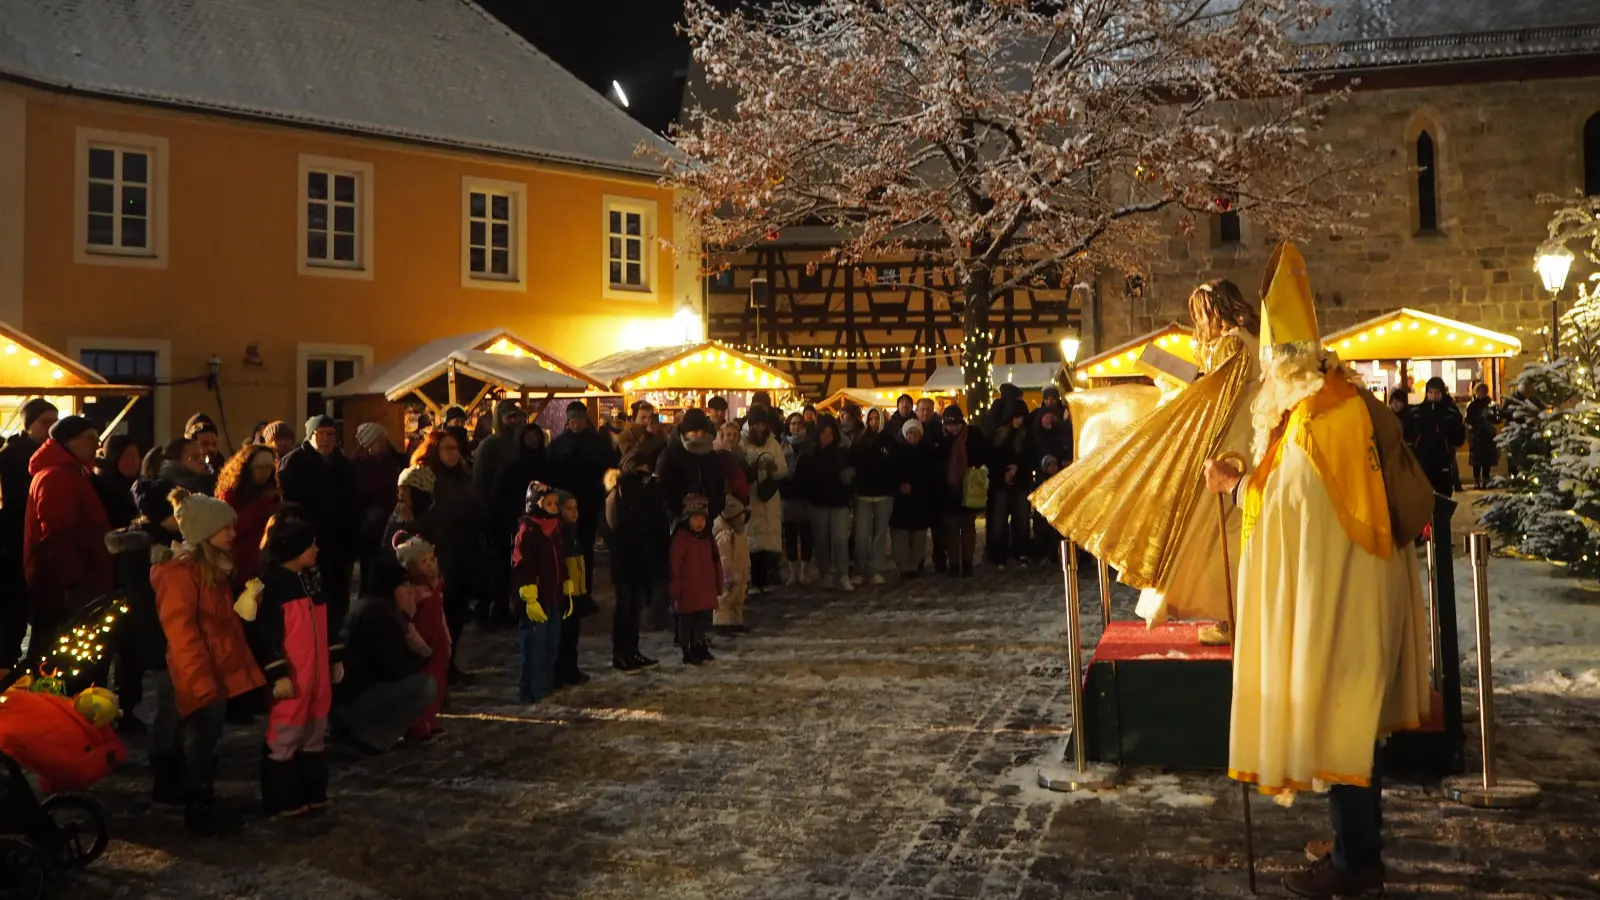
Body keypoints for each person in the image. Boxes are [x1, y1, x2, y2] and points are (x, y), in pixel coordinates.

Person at [1203, 242, 1429, 897]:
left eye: (1269, 367)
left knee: (1343, 725)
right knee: (1348, 725)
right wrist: (1241, 476)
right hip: (1344, 591)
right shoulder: (1323, 406)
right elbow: (1291, 489)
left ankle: (1357, 865)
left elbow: (1296, 505)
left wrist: (1242, 491)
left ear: (1284, 364)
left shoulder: (1321, 421)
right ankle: (1357, 848)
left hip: (1341, 599)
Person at [1034, 277, 1262, 645]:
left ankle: (1232, 613)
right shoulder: (1252, 338)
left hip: (1230, 440)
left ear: (1217, 309)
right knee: (1229, 529)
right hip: (1248, 436)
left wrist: (1179, 389)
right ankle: (1237, 611)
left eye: (1201, 314)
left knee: (1217, 532)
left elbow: (1216, 396)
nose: (1200, 323)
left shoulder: (1232, 343)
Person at [151, 488, 267, 832]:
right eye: (226, 528)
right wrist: (200, 680)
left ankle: (182, 792)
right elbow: (182, 632)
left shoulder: (211, 569)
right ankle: (196, 805)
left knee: (202, 734)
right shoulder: (180, 575)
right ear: (204, 533)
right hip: (195, 670)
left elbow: (218, 623)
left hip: (212, 667)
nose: (233, 533)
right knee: (198, 737)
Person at [245, 515, 342, 818]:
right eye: (310, 545)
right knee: (286, 734)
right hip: (293, 677)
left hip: (317, 677)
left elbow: (329, 623)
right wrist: (277, 673)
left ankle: (312, 790)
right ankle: (282, 796)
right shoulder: (272, 586)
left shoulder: (313, 579)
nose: (316, 550)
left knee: (313, 734)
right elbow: (262, 633)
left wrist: (334, 656)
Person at [22, 415, 114, 665]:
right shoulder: (56, 477)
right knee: (58, 659)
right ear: (68, 442)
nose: (97, 444)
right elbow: (57, 535)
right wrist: (71, 585)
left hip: (73, 584)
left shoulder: (71, 473)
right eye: (90, 438)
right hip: (66, 589)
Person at [333, 562, 439, 755]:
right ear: (391, 589)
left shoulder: (371, 606)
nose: (410, 593)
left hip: (347, 697)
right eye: (404, 587)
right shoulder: (382, 617)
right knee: (425, 687)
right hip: (352, 702)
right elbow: (395, 670)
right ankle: (370, 739)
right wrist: (421, 652)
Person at [104, 478, 179, 747]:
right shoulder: (146, 546)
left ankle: (128, 712)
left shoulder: (153, 537)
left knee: (133, 667)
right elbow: (143, 593)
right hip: (149, 619)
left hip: (146, 618)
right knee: (154, 678)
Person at [409, 429, 481, 687]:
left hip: (463, 550)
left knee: (457, 612)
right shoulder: (427, 477)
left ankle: (450, 665)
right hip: (439, 551)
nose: (453, 453)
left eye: (455, 449)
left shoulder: (461, 476)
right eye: (447, 449)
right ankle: (435, 670)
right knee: (438, 616)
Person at [278, 416, 360, 632]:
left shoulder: (342, 463)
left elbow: (352, 502)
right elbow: (288, 505)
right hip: (308, 543)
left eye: (330, 434)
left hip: (339, 542)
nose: (325, 439)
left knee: (338, 597)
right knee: (312, 597)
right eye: (320, 434)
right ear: (311, 435)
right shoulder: (294, 462)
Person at [547, 401, 619, 600]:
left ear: (585, 420)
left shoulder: (598, 443)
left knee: (585, 549)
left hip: (589, 503)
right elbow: (550, 472)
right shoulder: (558, 444)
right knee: (566, 549)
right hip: (564, 505)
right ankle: (567, 592)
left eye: (579, 418)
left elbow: (609, 471)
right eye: (572, 419)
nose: (575, 423)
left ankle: (584, 592)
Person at [604, 450, 667, 672]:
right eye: (641, 468)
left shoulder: (648, 492)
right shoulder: (618, 493)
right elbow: (612, 530)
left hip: (642, 558)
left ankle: (632, 650)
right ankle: (620, 653)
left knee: (635, 608)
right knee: (625, 608)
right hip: (624, 560)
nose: (646, 473)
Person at [488, 423, 550, 627]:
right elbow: (499, 497)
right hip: (516, 524)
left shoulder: (546, 464)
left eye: (536, 437)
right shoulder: (511, 467)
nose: (533, 441)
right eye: (528, 437)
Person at [512, 481, 567, 703]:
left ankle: (544, 686)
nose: (555, 507)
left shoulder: (555, 530)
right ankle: (531, 692)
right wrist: (527, 595)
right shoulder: (527, 533)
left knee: (551, 645)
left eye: (556, 503)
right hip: (536, 600)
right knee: (534, 647)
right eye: (550, 503)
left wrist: (565, 583)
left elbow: (559, 562)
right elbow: (521, 566)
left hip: (553, 596)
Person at [391, 532, 449, 741]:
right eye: (424, 561)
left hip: (437, 643)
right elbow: (408, 621)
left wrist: (446, 639)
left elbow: (440, 616)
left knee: (438, 681)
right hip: (422, 644)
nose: (430, 565)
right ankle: (417, 725)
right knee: (423, 682)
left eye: (431, 560)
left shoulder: (434, 587)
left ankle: (430, 719)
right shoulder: (412, 591)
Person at [471, 401, 525, 621]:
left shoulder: (518, 443)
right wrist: (485, 513)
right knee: (497, 562)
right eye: (509, 417)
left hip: (515, 512)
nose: (514, 421)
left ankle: (506, 604)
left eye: (516, 416)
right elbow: (480, 483)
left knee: (513, 562)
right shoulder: (490, 446)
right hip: (496, 513)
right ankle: (496, 606)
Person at [795, 415, 855, 591]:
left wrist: (848, 489)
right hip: (818, 502)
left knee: (840, 540)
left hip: (839, 503)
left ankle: (843, 574)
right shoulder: (810, 454)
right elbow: (802, 478)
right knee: (821, 541)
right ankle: (825, 574)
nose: (827, 437)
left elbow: (851, 476)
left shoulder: (841, 453)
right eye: (824, 433)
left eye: (830, 433)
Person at [216, 444, 281, 594]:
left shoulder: (273, 491)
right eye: (259, 467)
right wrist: (263, 504)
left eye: (269, 468)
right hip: (241, 569)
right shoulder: (231, 494)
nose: (264, 473)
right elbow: (232, 527)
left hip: (267, 566)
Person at [350, 422, 406, 597]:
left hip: (388, 522)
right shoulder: (355, 466)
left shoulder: (389, 460)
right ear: (368, 443)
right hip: (369, 528)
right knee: (370, 571)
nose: (383, 443)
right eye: (379, 440)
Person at [669, 494, 723, 665]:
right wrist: (675, 587)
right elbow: (674, 565)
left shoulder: (708, 539)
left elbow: (716, 563)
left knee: (701, 621)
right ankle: (687, 649)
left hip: (705, 589)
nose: (700, 522)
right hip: (687, 591)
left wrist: (718, 585)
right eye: (695, 518)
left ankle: (700, 645)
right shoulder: (681, 540)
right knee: (687, 622)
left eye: (702, 518)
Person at [935, 407, 987, 577]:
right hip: (948, 490)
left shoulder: (973, 435)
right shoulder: (942, 439)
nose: (953, 428)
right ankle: (954, 564)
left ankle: (967, 563)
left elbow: (981, 456)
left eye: (956, 424)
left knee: (968, 528)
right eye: (949, 424)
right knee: (951, 529)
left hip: (969, 486)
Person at [741, 407, 787, 595]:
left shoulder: (773, 443)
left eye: (763, 424)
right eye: (757, 424)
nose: (761, 428)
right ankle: (754, 579)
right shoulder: (742, 443)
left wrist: (773, 469)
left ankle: (767, 576)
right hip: (752, 493)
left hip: (769, 493)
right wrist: (752, 468)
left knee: (769, 536)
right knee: (752, 536)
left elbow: (783, 468)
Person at [985, 399, 1034, 568]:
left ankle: (1021, 552)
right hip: (1000, 483)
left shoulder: (1026, 435)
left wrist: (1017, 467)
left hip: (1020, 482)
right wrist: (1003, 472)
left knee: (1021, 519)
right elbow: (992, 458)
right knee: (999, 521)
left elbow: (1029, 457)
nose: (1019, 421)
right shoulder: (999, 435)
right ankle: (999, 555)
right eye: (1016, 417)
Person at [712, 423, 751, 632]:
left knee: (740, 568)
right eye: (728, 434)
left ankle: (735, 617)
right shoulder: (719, 459)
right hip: (726, 516)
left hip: (738, 514)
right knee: (727, 569)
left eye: (735, 435)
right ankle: (722, 618)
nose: (732, 438)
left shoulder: (737, 459)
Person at [656, 408, 725, 523]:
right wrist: (677, 511)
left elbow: (718, 483)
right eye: (695, 430)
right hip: (680, 518)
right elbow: (663, 488)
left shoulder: (710, 454)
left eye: (702, 431)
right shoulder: (670, 455)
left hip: (707, 517)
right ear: (685, 432)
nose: (700, 434)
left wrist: (715, 508)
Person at [555, 491, 595, 687]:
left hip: (576, 591)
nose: (574, 512)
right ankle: (562, 672)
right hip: (566, 592)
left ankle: (571, 669)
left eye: (576, 508)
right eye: (569, 509)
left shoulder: (573, 532)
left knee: (573, 635)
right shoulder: (560, 534)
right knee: (564, 635)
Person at [890, 419, 937, 577]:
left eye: (915, 433)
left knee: (918, 540)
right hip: (901, 504)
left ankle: (915, 564)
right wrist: (899, 485)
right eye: (909, 433)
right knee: (900, 538)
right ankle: (904, 566)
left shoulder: (927, 452)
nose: (912, 436)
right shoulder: (898, 451)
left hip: (921, 502)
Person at [1411, 376, 1466, 497]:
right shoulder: (1418, 412)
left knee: (1444, 494)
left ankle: (1441, 515)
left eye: (1436, 392)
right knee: (1424, 495)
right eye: (1430, 392)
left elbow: (1459, 436)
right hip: (1423, 460)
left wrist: (1450, 448)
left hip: (1443, 460)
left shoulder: (1450, 412)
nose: (1433, 395)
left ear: (1442, 393)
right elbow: (1410, 433)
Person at [915, 398, 949, 573]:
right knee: (919, 529)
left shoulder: (939, 431)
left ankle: (940, 560)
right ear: (917, 411)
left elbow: (944, 456)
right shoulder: (911, 428)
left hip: (936, 486)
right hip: (918, 487)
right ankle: (917, 561)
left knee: (938, 529)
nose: (925, 413)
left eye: (928, 409)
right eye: (922, 410)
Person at [93, 435, 142, 530]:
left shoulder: (142, 485)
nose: (134, 460)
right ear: (114, 457)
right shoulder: (102, 487)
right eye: (127, 455)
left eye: (137, 455)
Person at [1465, 383, 1500, 489]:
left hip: (1487, 435)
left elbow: (1498, 419)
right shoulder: (1473, 405)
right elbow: (1468, 420)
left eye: (1483, 391)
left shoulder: (1491, 405)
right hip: (1477, 434)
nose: (1481, 393)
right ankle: (1477, 480)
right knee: (1477, 460)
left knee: (1486, 460)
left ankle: (1485, 479)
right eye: (1480, 391)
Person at [184, 415, 225, 492]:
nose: (211, 449)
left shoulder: (225, 473)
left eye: (214, 444)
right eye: (204, 444)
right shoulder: (182, 476)